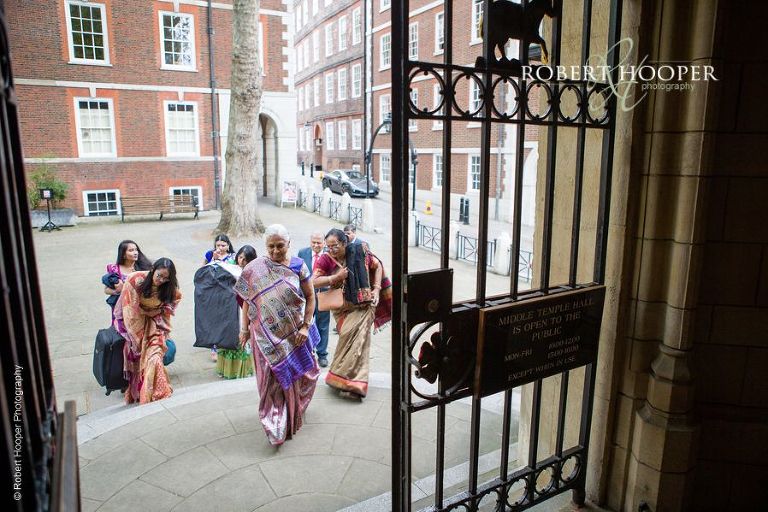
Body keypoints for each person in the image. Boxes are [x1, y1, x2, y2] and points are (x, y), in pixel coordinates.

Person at [235, 224, 320, 445]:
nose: (274, 251)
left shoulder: (298, 266)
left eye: (280, 246)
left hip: (294, 335)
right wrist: (243, 329)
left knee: (303, 376)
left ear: (289, 243)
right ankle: (274, 425)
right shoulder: (255, 269)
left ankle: (291, 415)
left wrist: (305, 327)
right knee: (270, 383)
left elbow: (311, 297)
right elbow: (247, 301)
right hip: (264, 337)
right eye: (270, 246)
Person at [312, 229, 392, 398]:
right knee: (347, 337)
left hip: (365, 304)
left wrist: (377, 290)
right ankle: (340, 378)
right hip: (342, 307)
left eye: (335, 246)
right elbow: (314, 281)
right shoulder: (326, 259)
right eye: (329, 246)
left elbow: (377, 266)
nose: (332, 249)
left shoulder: (358, 252)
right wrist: (335, 277)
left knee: (360, 342)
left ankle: (356, 385)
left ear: (345, 243)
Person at [114, 258, 181, 404]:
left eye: (166, 278)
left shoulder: (168, 287)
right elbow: (129, 311)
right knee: (138, 362)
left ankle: (157, 393)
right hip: (133, 326)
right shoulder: (135, 280)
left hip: (155, 325)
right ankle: (142, 394)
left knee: (155, 358)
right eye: (159, 275)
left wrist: (159, 310)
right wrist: (137, 338)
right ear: (152, 270)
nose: (161, 280)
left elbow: (176, 298)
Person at [298, 232, 331, 367]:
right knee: (307, 323)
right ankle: (308, 351)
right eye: (314, 242)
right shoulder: (302, 253)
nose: (316, 245)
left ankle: (322, 354)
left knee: (323, 325)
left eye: (319, 242)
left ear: (324, 242)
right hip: (307, 296)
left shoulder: (329, 255)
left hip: (323, 294)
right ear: (310, 241)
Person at [203, 234, 236, 361]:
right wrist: (213, 260)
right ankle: (214, 347)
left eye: (223, 245)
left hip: (228, 292)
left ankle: (226, 343)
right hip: (213, 291)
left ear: (228, 245)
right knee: (214, 319)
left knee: (227, 318)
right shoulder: (209, 255)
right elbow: (202, 271)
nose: (220, 248)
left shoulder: (233, 257)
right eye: (218, 245)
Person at [102, 240, 152, 319]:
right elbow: (106, 290)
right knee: (120, 330)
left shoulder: (143, 269)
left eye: (136, 250)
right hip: (120, 308)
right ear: (123, 255)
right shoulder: (114, 269)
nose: (135, 252)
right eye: (131, 250)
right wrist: (118, 291)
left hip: (138, 308)